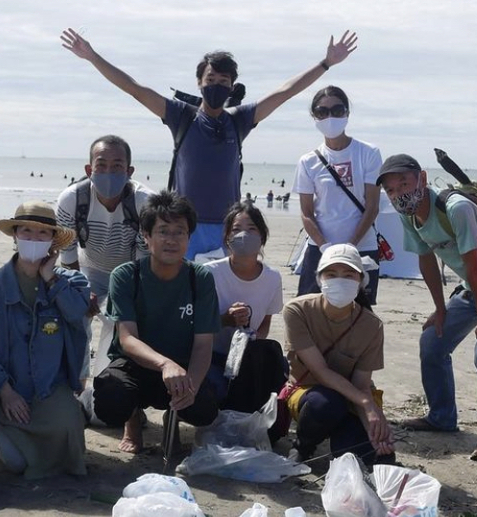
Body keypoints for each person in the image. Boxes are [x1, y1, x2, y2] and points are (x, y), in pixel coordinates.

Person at [60, 29, 358, 259]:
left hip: (229, 228)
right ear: (199, 83)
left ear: (231, 86)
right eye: (210, 78)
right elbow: (135, 89)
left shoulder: (238, 120)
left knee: (223, 300)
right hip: (183, 227)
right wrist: (92, 56)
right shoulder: (181, 116)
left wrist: (325, 64)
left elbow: (285, 92)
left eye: (224, 81)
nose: (216, 85)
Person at [376, 153, 477, 460]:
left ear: (423, 179)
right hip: (473, 289)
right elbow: (425, 258)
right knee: (432, 341)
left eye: (404, 183)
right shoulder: (408, 214)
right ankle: (442, 417)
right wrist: (440, 309)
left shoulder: (456, 208)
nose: (399, 193)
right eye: (391, 190)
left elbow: (475, 267)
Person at [92, 191, 221, 453]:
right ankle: (133, 420)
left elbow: (203, 344)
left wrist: (190, 388)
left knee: (205, 409)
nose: (171, 240)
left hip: (181, 369)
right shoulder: (127, 275)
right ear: (146, 236)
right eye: (163, 231)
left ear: (189, 237)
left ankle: (172, 417)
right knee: (110, 401)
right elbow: (127, 339)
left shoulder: (200, 278)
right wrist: (164, 363)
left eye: (179, 232)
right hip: (138, 364)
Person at [0, 202, 89, 478]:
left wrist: (50, 279)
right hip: (5, 390)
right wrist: (5, 392)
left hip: (49, 387)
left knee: (70, 433)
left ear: (53, 241)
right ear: (15, 235)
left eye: (42, 233)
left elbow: (76, 313)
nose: (34, 239)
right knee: (16, 463)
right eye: (26, 231)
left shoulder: (71, 282)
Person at [282, 243, 394, 466]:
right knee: (326, 404)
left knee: (368, 454)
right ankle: (303, 445)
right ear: (320, 279)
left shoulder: (372, 325)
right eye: (331, 274)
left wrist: (373, 423)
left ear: (361, 282)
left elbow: (362, 383)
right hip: (310, 393)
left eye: (349, 274)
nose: (339, 280)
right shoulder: (297, 310)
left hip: (353, 397)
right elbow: (321, 372)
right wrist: (367, 403)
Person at [56, 135, 151, 378]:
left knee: (119, 325)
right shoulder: (71, 200)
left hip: (128, 271)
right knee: (75, 317)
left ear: (129, 171)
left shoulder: (144, 203)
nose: (109, 172)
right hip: (89, 269)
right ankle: (76, 384)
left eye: (117, 166)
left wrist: (129, 295)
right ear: (89, 169)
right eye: (101, 165)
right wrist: (79, 290)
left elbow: (143, 258)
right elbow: (67, 253)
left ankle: (111, 381)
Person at [293, 86, 382, 301]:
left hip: (362, 246)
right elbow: (306, 213)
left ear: (347, 113)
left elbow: (372, 207)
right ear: (314, 117)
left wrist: (350, 247)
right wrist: (325, 247)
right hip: (320, 248)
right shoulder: (308, 161)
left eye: (337, 110)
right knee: (311, 307)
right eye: (322, 112)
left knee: (359, 312)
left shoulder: (368, 153)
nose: (330, 116)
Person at [204, 203, 287, 422]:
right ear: (227, 237)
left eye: (251, 229)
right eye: (236, 229)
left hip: (247, 359)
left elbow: (265, 322)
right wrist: (225, 320)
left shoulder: (272, 278)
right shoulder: (210, 273)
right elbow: (196, 324)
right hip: (210, 356)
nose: (244, 235)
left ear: (262, 236)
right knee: (214, 395)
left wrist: (250, 341)